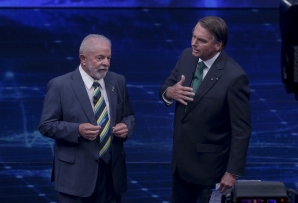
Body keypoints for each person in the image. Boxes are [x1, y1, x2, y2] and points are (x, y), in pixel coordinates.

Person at [159, 16, 251, 203]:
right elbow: (166, 86)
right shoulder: (187, 56)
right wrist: (170, 92)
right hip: (180, 166)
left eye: (201, 40)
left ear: (218, 45)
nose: (193, 43)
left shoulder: (235, 77)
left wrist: (232, 172)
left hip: (211, 171)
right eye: (193, 36)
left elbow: (242, 130)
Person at [39, 34, 135, 203]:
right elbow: (46, 125)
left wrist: (126, 126)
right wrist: (77, 130)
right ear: (83, 59)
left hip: (112, 177)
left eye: (108, 57)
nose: (106, 62)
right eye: (100, 58)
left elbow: (129, 116)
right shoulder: (60, 85)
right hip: (75, 177)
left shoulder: (118, 81)